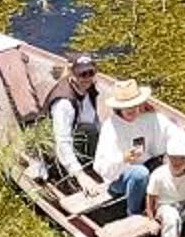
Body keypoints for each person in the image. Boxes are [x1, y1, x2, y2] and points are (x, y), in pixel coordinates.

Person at [90, 78, 169, 221]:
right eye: (126, 106)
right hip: (119, 178)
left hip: (144, 166)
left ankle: (156, 208)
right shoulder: (111, 127)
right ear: (119, 108)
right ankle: (133, 213)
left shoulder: (147, 118)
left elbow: (160, 144)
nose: (131, 109)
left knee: (162, 167)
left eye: (134, 105)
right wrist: (123, 158)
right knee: (140, 173)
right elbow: (101, 166)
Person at [42, 52, 103, 190]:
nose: (87, 78)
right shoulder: (64, 103)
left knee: (92, 129)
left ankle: (94, 166)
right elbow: (62, 142)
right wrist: (80, 175)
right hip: (59, 153)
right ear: (71, 73)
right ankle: (75, 177)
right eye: (82, 74)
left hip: (81, 137)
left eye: (90, 72)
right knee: (89, 130)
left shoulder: (88, 89)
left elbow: (95, 121)